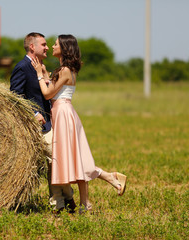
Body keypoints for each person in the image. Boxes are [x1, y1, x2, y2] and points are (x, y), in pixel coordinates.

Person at [31, 34, 127, 212]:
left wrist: (38, 74)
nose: (52, 46)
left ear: (64, 48)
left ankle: (103, 184)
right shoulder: (65, 69)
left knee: (75, 159)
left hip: (63, 114)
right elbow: (53, 89)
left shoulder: (65, 70)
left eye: (56, 44)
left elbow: (47, 94)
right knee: (76, 159)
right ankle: (88, 201)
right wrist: (46, 75)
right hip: (65, 112)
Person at [10, 32, 76, 213]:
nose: (47, 47)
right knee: (55, 159)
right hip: (36, 125)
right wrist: (33, 113)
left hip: (50, 122)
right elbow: (14, 95)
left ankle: (63, 202)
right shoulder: (22, 67)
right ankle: (64, 200)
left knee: (54, 162)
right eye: (44, 44)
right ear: (32, 47)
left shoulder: (42, 67)